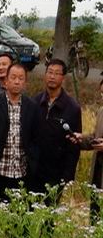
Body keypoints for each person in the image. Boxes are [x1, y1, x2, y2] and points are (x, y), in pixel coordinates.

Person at [0, 63, 40, 201]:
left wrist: (33, 162)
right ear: (6, 81)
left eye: (21, 78)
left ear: (25, 83)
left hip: (22, 172)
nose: (17, 81)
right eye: (13, 77)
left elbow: (36, 138)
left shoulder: (32, 106)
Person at [31, 59, 81, 196]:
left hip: (56, 173)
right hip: (33, 171)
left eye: (57, 73)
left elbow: (74, 146)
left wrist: (67, 177)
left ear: (63, 78)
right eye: (50, 72)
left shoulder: (72, 108)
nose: (52, 76)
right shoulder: (35, 102)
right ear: (45, 75)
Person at [69, 78, 103, 221]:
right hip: (98, 172)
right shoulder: (101, 111)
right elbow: (96, 138)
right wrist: (81, 139)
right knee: (95, 216)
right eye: (102, 93)